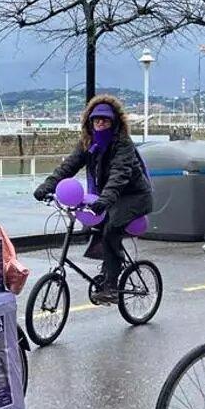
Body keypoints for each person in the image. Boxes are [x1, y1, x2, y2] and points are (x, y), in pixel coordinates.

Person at [33, 95, 153, 303]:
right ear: (89, 122)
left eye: (105, 120)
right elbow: (68, 167)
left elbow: (119, 175)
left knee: (112, 228)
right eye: (96, 119)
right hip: (109, 197)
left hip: (135, 196)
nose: (100, 123)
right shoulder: (87, 143)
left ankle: (112, 285)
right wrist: (47, 186)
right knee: (93, 228)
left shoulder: (122, 144)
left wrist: (104, 200)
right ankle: (108, 266)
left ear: (114, 123)